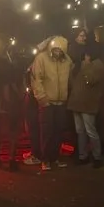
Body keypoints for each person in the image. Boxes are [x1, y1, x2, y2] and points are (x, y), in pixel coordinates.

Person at [32, 36, 73, 171]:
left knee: (59, 131)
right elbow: (36, 79)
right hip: (47, 102)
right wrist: (42, 98)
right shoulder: (41, 59)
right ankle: (45, 159)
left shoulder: (67, 61)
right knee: (46, 132)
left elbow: (71, 77)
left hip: (61, 102)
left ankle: (55, 157)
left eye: (60, 50)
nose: (57, 52)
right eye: (55, 50)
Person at [67, 44, 104, 168]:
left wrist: (84, 66)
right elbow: (72, 81)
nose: (85, 57)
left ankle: (97, 157)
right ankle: (82, 155)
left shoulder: (98, 65)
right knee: (80, 131)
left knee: (90, 131)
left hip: (88, 103)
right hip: (77, 102)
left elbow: (91, 79)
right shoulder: (81, 65)